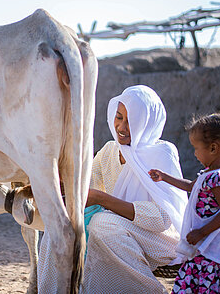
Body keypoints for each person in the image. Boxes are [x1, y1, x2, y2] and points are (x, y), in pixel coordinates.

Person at [59, 85, 187, 293]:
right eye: (119, 117)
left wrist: (104, 200)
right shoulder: (110, 150)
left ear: (147, 123)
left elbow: (163, 219)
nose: (122, 126)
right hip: (116, 234)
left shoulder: (161, 154)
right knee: (60, 226)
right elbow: (85, 186)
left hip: (159, 241)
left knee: (103, 223)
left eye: (131, 121)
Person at [149, 113, 220, 293]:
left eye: (196, 148)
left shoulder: (217, 178)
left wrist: (201, 232)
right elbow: (191, 186)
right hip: (206, 246)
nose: (194, 153)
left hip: (210, 247)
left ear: (213, 148)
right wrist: (164, 177)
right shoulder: (211, 173)